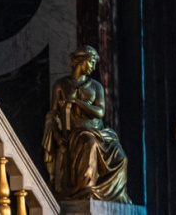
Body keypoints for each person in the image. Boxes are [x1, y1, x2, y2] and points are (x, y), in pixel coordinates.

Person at [42, 46, 131, 203]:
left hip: (100, 132)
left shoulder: (96, 86)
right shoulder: (61, 85)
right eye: (91, 62)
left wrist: (77, 102)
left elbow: (100, 112)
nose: (93, 67)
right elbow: (53, 115)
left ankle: (117, 194)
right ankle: (85, 190)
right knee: (90, 144)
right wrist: (56, 136)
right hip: (77, 133)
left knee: (121, 157)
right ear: (80, 61)